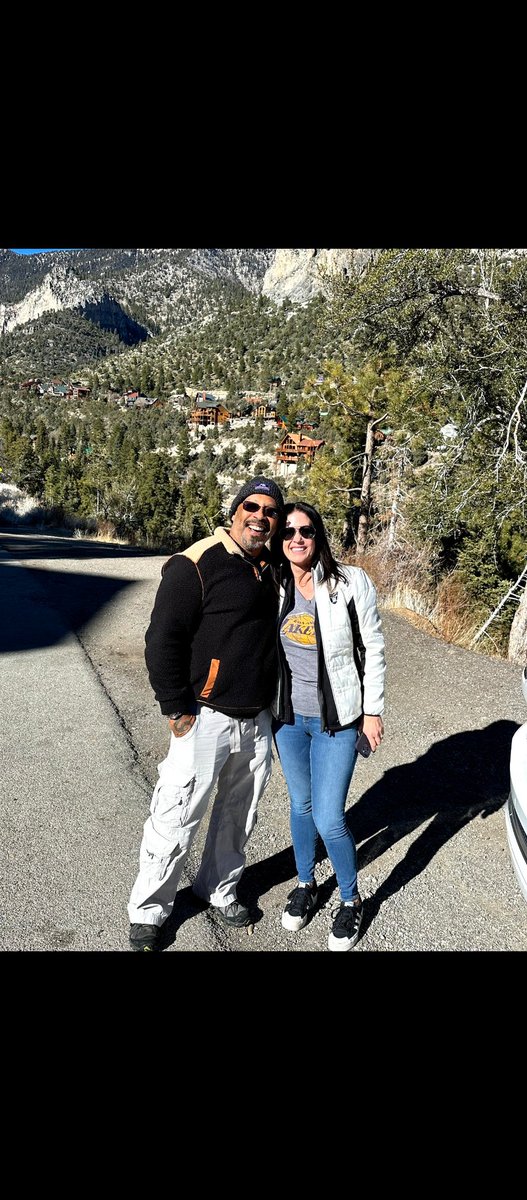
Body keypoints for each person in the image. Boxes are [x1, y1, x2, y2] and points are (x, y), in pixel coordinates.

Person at [128, 475, 284, 951]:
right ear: (235, 511)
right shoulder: (196, 562)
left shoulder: (270, 566)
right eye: (251, 507)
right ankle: (149, 911)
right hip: (203, 716)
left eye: (270, 511)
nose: (260, 517)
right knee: (176, 814)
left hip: (256, 719)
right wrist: (176, 708)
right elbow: (162, 640)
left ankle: (218, 888)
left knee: (240, 812)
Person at [271, 500, 385, 952]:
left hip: (336, 719)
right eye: (288, 532)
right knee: (300, 805)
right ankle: (306, 883)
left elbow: (372, 648)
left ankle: (351, 899)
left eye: (306, 531)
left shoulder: (349, 582)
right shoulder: (274, 583)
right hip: (287, 719)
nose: (297, 538)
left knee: (329, 816)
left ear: (318, 536)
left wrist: (372, 712)